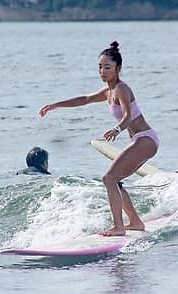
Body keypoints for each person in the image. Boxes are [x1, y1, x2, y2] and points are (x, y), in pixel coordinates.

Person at [39, 41, 159, 236]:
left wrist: (117, 129)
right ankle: (136, 222)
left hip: (145, 139)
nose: (102, 71)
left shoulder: (122, 89)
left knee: (109, 178)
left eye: (107, 67)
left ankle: (119, 227)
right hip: (140, 140)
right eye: (100, 67)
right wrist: (55, 105)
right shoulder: (108, 91)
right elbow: (85, 99)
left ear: (118, 68)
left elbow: (128, 116)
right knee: (115, 181)